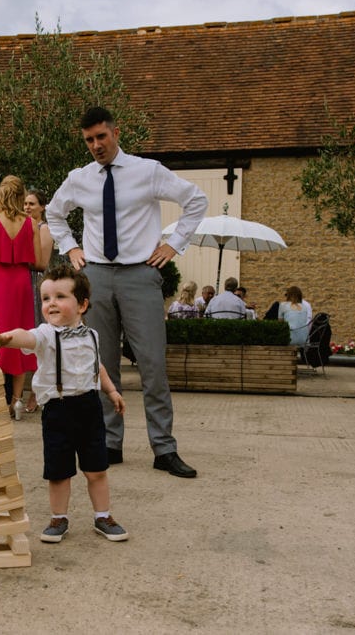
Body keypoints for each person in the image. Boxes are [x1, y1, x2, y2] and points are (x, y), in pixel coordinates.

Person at [45, 106, 207, 479]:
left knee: (152, 363)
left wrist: (174, 244)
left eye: (102, 136)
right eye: (89, 140)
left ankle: (163, 448)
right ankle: (109, 443)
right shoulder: (79, 178)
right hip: (97, 275)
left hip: (140, 274)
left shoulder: (147, 172)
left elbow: (195, 200)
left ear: (116, 133)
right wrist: (70, 248)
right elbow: (54, 214)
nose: (96, 145)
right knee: (102, 362)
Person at [0, 264, 128, 544]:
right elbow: (25, 336)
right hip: (58, 410)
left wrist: (112, 391)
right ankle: (59, 518)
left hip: (90, 407)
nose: (51, 304)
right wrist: (3, 338)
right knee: (58, 471)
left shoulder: (92, 335)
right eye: (45, 298)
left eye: (59, 297)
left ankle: (103, 515)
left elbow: (98, 366)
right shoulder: (46, 334)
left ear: (82, 304)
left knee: (96, 469)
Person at [0, 175, 42, 419]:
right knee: (19, 336)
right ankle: (16, 402)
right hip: (20, 282)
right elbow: (35, 259)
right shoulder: (30, 223)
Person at [21, 187, 56, 413]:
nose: (27, 207)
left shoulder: (44, 229)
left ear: (42, 207)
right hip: (22, 282)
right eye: (25, 203)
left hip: (35, 283)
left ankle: (36, 394)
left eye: (32, 204)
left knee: (37, 336)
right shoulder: (24, 226)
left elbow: (41, 263)